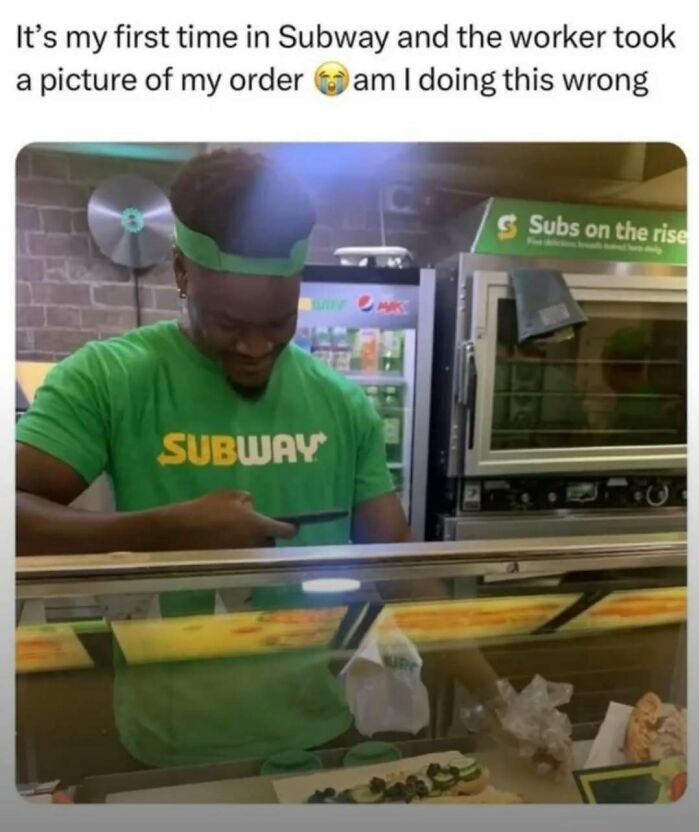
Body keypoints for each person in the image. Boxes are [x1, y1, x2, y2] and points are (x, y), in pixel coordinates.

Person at [16, 148, 413, 768]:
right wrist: (167, 531)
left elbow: (403, 574)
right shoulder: (108, 379)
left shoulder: (341, 404)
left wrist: (498, 697)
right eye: (229, 323)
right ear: (180, 270)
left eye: (280, 322)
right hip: (170, 757)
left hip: (319, 737)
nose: (256, 346)